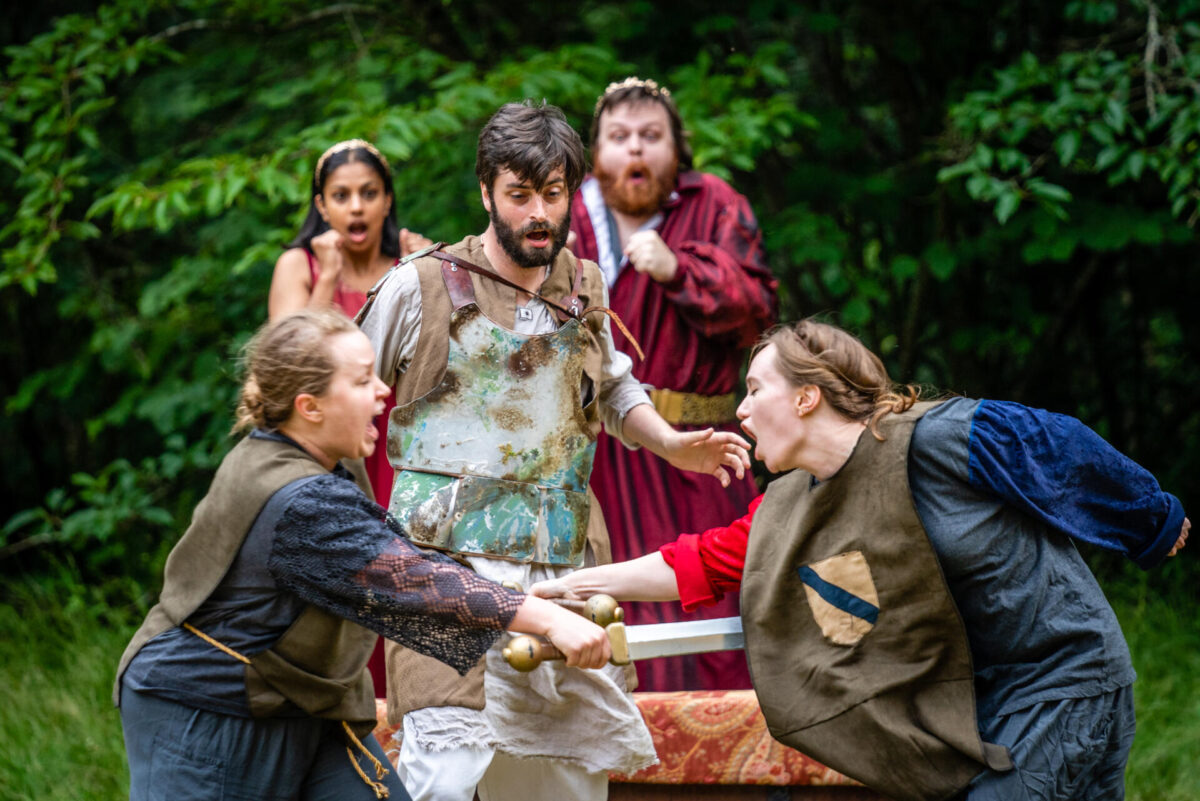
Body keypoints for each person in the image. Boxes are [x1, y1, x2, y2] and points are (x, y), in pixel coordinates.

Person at [534, 318, 1191, 801]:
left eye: (755, 388)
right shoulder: (791, 507)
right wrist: (558, 591)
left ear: (806, 396)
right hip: (982, 706)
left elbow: (1058, 448)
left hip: (1066, 680)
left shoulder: (940, 436)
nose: (739, 409)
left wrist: (1154, 521)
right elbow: (696, 564)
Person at [356, 100, 753, 801]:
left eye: (553, 192)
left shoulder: (583, 284)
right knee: (444, 778)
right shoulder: (420, 285)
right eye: (520, 195)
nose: (539, 212)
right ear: (486, 192)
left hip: (563, 567)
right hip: (442, 569)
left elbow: (614, 388)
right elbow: (342, 385)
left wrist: (671, 445)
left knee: (563, 782)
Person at [114, 309, 612, 801]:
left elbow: (399, 563)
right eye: (360, 381)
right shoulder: (298, 499)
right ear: (309, 407)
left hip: (301, 700)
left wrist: (530, 610)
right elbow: (410, 580)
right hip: (207, 711)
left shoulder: (319, 460)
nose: (382, 391)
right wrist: (543, 618)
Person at [569, 77, 778, 691]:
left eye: (651, 137)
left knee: (717, 594)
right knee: (614, 600)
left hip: (703, 446)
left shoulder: (714, 203)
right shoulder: (571, 213)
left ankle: (728, 750)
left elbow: (759, 310)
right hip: (606, 453)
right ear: (596, 152)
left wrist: (680, 269)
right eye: (620, 137)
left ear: (677, 149)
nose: (635, 151)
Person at [269, 139, 432, 695]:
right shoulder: (299, 264)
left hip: (402, 444)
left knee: (405, 572)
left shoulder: (410, 263)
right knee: (347, 569)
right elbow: (288, 366)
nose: (356, 207)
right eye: (341, 196)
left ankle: (408, 703)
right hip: (327, 449)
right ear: (322, 205)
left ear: (388, 200)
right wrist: (327, 278)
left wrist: (429, 272)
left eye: (369, 193)